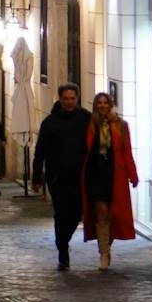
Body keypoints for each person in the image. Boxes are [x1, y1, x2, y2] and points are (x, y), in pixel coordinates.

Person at [31, 83, 90, 271]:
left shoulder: (86, 119)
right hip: (58, 176)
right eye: (66, 98)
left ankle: (62, 240)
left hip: (80, 176)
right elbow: (40, 152)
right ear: (60, 99)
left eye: (72, 98)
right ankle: (63, 251)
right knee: (61, 213)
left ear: (77, 99)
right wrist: (36, 177)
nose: (69, 102)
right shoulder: (50, 123)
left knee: (76, 213)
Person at [82, 90, 139, 270]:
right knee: (101, 213)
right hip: (95, 173)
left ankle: (106, 245)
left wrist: (133, 174)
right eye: (99, 103)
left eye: (105, 102)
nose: (102, 106)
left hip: (115, 174)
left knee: (114, 215)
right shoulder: (90, 124)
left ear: (111, 105)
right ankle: (103, 254)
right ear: (95, 105)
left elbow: (126, 151)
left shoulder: (121, 125)